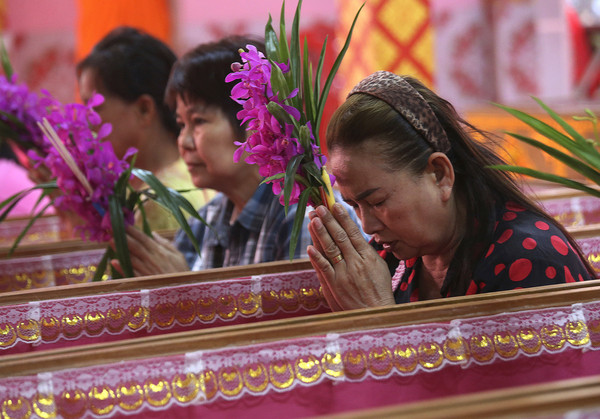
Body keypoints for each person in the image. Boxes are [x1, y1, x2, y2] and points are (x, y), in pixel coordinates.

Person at [307, 71, 595, 311]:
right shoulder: (392, 256)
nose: (368, 226)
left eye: (378, 201)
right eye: (355, 206)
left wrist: (378, 316)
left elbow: (497, 381)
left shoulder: (528, 259)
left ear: (440, 174)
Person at [118, 36, 312, 276]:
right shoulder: (203, 223)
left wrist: (185, 288)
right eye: (181, 124)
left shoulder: (302, 218)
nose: (183, 142)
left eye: (198, 121)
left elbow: (302, 314)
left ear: (255, 123)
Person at [77, 26, 209, 231]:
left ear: (144, 109)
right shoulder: (191, 173)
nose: (86, 120)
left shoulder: (159, 201)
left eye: (94, 107)